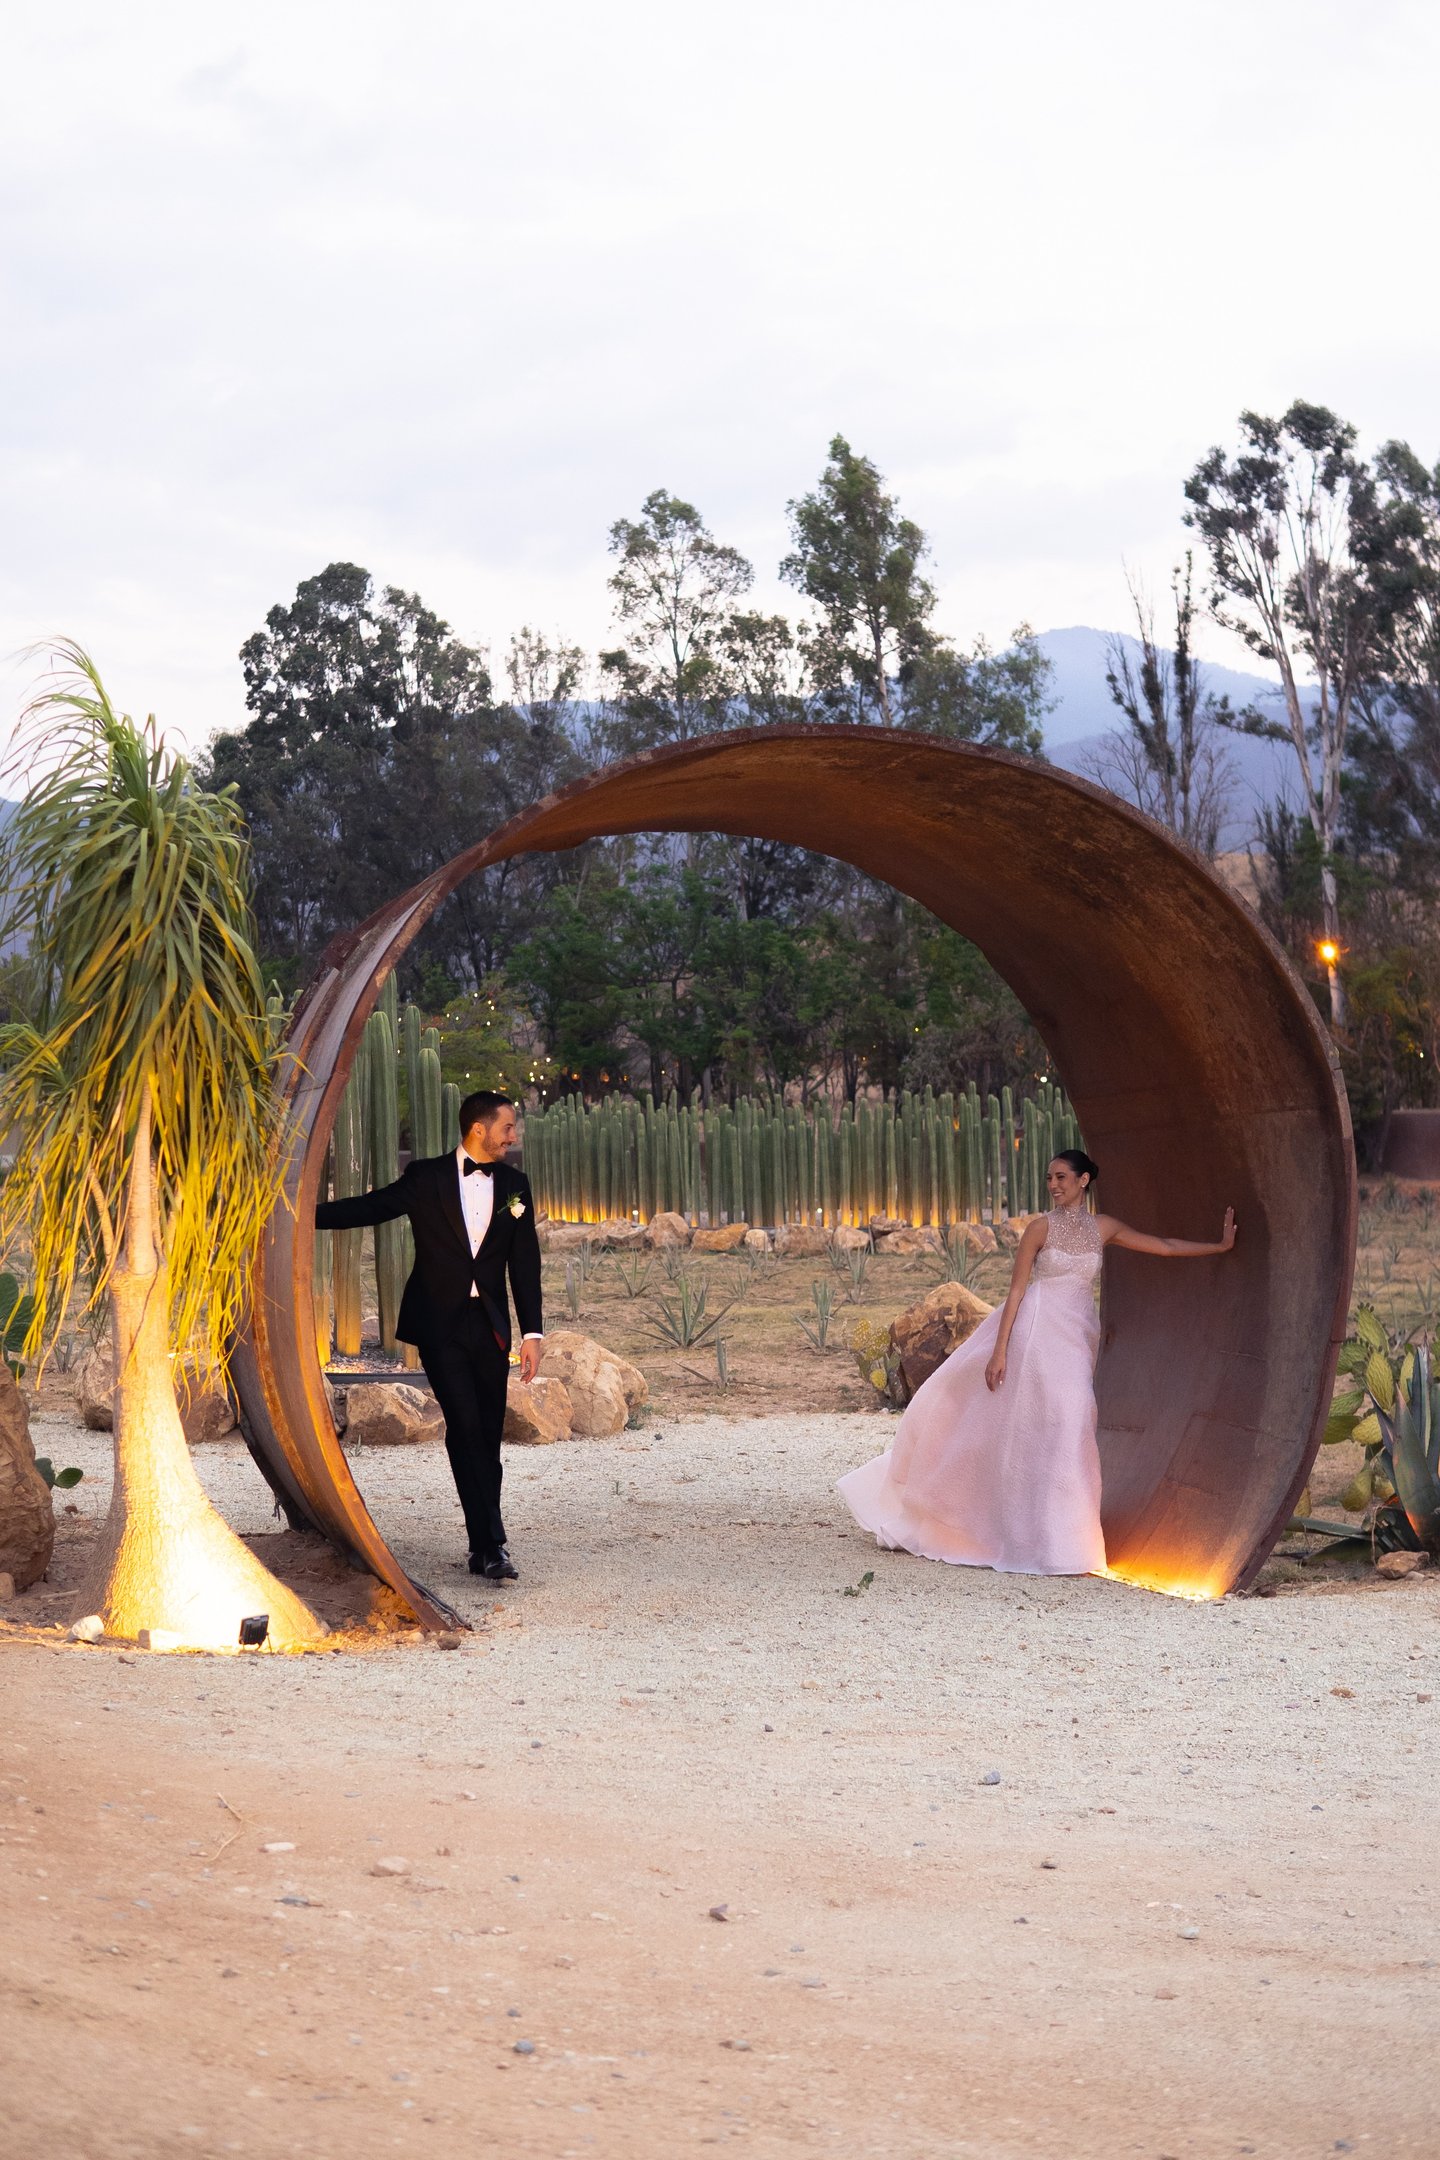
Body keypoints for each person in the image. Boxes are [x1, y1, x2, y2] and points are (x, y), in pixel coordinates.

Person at [836, 1149, 1237, 1578]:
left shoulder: (1105, 1227)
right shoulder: (1039, 1229)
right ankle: (1045, 1540)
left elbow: (1165, 1246)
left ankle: (1064, 1542)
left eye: (1062, 1177)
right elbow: (1015, 1293)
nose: (1054, 1185)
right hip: (1037, 1331)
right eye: (1049, 1178)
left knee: (1074, 1416)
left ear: (1084, 1181)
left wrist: (1220, 1245)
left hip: (1077, 1334)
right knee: (1059, 1416)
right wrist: (999, 1350)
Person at [315, 1090, 543, 1582]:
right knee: (464, 1426)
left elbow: (525, 1265)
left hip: (491, 1327)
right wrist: (296, 1215)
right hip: (440, 1324)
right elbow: (370, 1208)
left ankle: (484, 1543)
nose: (513, 1136)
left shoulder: (515, 1185)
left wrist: (533, 1332)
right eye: (508, 1127)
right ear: (479, 1129)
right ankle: (492, 1543)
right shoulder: (427, 1177)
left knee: (486, 1433)